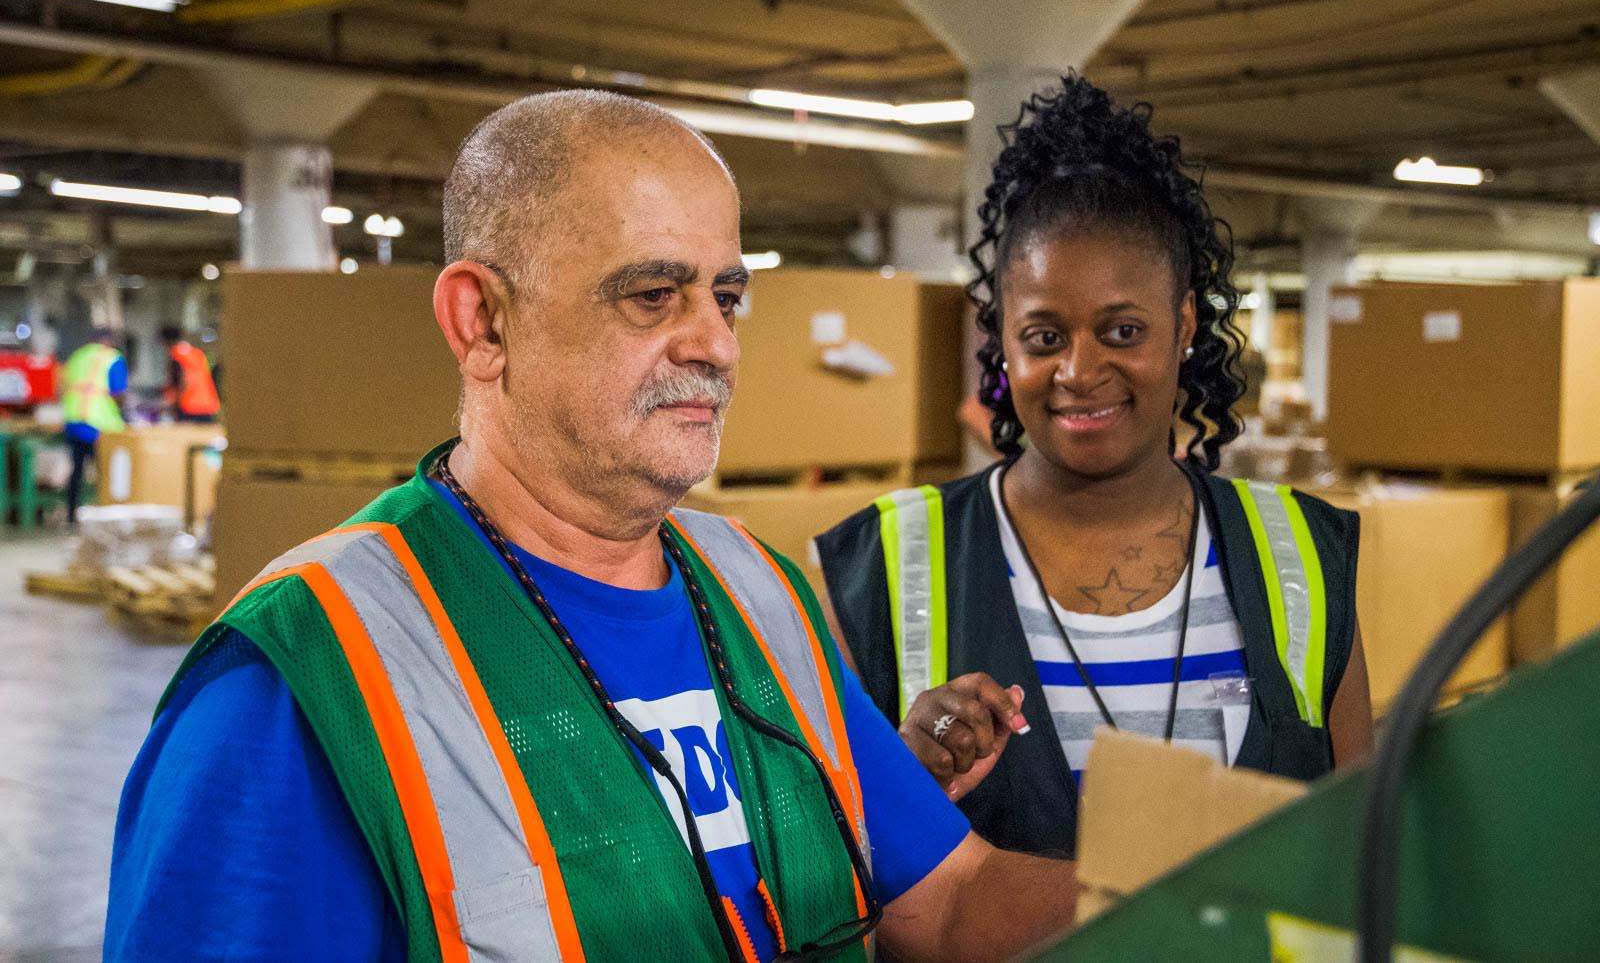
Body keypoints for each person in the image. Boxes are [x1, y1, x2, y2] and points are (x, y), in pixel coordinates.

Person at [105, 90, 1078, 962]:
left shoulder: (758, 591)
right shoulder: (302, 681)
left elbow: (948, 898)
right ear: (483, 320)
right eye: (653, 294)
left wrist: (1214, 896)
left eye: (725, 296)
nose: (715, 343)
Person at [815, 74, 1373, 859]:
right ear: (1003, 341)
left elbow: (1367, 855)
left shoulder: (1302, 552)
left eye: (1121, 330)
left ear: (1182, 324)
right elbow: (824, 865)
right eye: (1044, 337)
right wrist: (901, 776)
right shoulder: (875, 567)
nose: (1079, 370)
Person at [60, 326, 126, 524]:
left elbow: (63, 387)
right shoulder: (112, 357)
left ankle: (72, 515)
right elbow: (118, 393)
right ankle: (104, 515)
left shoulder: (77, 357)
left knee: (77, 471)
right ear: (109, 340)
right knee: (106, 472)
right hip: (98, 424)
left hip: (73, 421)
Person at [160, 324, 220, 422]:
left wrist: (174, 404)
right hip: (208, 405)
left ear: (165, 341)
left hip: (189, 406)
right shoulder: (198, 353)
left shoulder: (176, 356)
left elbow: (183, 381)